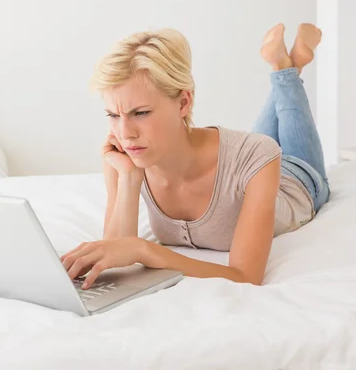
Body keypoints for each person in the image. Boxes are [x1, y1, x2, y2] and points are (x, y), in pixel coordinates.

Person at [60, 23, 331, 289]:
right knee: (255, 146)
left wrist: (145, 251)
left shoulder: (258, 154)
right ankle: (286, 65)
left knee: (262, 147)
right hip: (251, 168)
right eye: (113, 115)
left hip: (298, 180)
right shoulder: (123, 158)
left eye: (140, 113)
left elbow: (245, 276)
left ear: (183, 102)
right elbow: (116, 253)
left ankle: (287, 69)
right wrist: (130, 178)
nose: (125, 133)